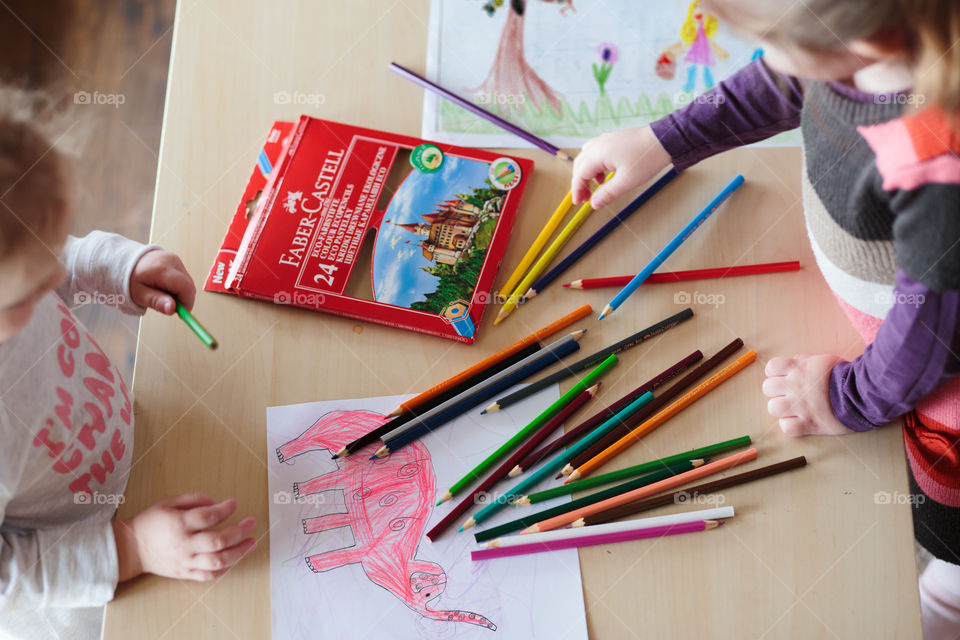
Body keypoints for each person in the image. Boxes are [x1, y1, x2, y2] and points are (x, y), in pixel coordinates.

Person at [571, 1, 960, 636]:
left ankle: (948, 596)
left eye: (769, 41)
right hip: (914, 329)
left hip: (942, 399)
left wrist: (845, 399)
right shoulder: (871, 48)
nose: (759, 60)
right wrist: (664, 141)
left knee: (945, 534)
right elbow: (782, 81)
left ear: (869, 42)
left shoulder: (939, 167)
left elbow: (930, 342)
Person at [0, 87, 256, 640]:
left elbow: (44, 256)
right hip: (89, 576)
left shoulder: (15, 255)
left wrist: (109, 265)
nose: (55, 282)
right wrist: (131, 548)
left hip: (136, 450)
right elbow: (7, 575)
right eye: (31, 290)